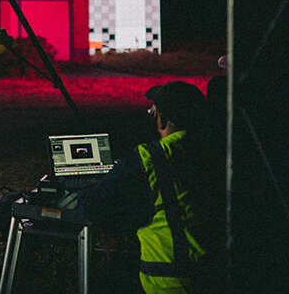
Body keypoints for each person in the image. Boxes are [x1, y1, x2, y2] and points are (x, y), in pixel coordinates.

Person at [73, 81, 224, 294]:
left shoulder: (150, 159)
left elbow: (92, 206)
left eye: (153, 111)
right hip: (219, 276)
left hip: (170, 281)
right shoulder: (220, 153)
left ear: (161, 119)